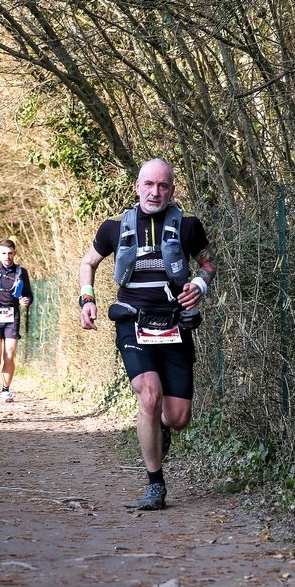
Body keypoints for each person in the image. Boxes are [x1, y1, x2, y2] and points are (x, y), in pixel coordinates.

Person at [78, 158, 215, 510]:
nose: (156, 192)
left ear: (172, 188)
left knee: (178, 417)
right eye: (149, 185)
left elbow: (209, 262)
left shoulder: (188, 226)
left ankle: (161, 429)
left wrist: (200, 283)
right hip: (132, 322)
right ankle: (155, 483)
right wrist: (87, 299)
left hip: (174, 323)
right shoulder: (114, 228)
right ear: (137, 186)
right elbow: (88, 263)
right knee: (149, 395)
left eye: (163, 186)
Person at [0, 238, 33, 402]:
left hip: (12, 316)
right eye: (4, 253)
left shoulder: (21, 272)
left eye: (10, 253)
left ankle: (6, 389)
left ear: (15, 253)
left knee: (10, 354)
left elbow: (28, 295)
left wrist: (25, 300)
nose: (7, 256)